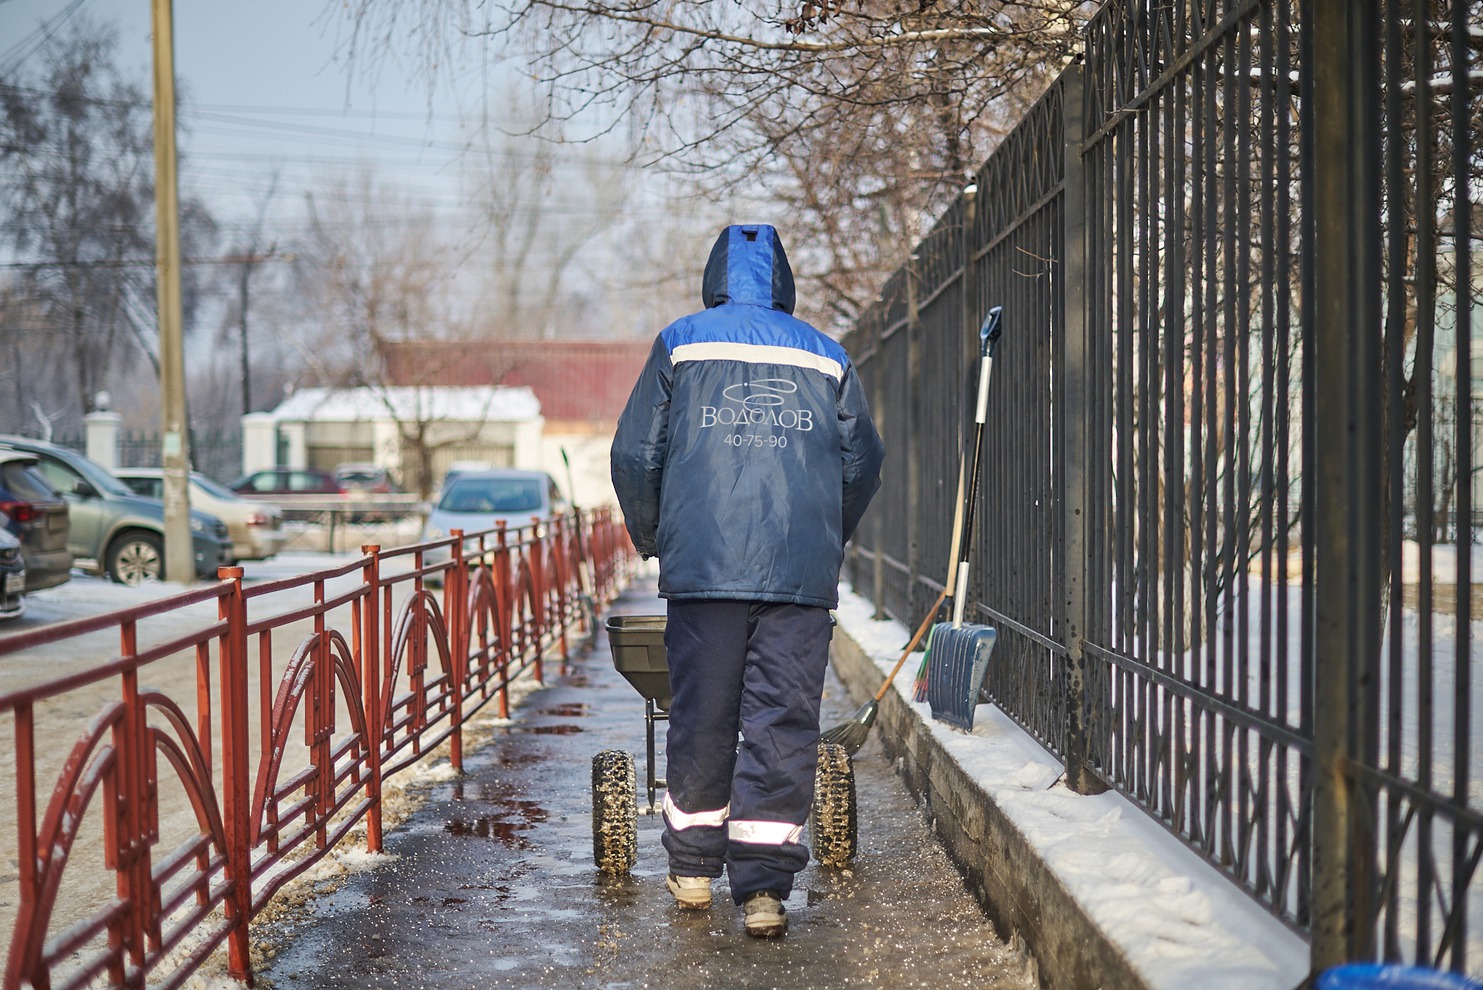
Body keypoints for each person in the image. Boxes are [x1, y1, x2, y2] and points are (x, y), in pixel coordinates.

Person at [610, 223, 885, 938]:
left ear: (715, 275)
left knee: (703, 712)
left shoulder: (681, 341)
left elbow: (637, 454)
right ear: (783, 281)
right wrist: (822, 536)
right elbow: (862, 462)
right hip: (798, 573)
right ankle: (763, 893)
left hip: (703, 573)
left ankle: (695, 871)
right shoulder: (827, 356)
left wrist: (653, 535)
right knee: (780, 722)